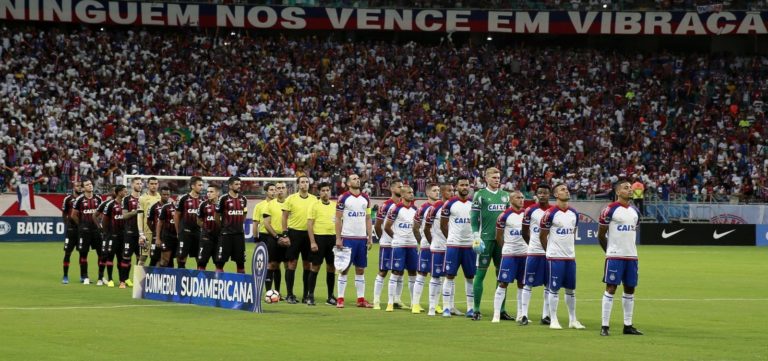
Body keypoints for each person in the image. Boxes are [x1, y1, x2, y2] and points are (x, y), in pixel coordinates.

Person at [598, 179, 643, 336]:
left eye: (630, 187)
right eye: (626, 188)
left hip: (631, 256)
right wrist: (609, 251)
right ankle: (605, 326)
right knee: (611, 288)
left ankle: (628, 325)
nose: (630, 190)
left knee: (630, 289)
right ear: (618, 192)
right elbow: (601, 234)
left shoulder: (635, 211)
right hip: (615, 256)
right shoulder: (609, 209)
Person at [539, 183, 585, 330]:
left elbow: (573, 233)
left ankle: (573, 320)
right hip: (555, 258)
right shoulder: (550, 213)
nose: (566, 191)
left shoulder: (574, 213)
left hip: (570, 257)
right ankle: (553, 319)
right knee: (554, 289)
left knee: (571, 289)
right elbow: (542, 236)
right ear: (556, 194)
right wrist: (549, 252)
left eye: (567, 189)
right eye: (562, 190)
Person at [470, 167, 511, 321]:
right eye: (494, 177)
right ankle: (476, 309)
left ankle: (501, 309)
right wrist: (476, 235)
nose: (497, 179)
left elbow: (509, 218)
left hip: (502, 241)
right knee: (480, 274)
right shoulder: (480, 195)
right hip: (485, 239)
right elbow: (474, 217)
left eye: (498, 177)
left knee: (502, 276)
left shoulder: (505, 196)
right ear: (486, 178)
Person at [335, 173, 374, 309]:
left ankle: (361, 299)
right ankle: (340, 299)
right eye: (354, 179)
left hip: (361, 239)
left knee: (360, 269)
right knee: (344, 269)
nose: (357, 180)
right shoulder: (343, 198)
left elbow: (368, 218)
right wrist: (338, 238)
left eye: (358, 178)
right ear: (348, 183)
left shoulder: (366, 198)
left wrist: (370, 237)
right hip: (348, 238)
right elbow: (338, 219)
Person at [440, 176, 475, 318]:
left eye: (467, 185)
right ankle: (446, 307)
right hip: (454, 245)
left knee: (470, 276)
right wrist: (451, 238)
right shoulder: (449, 204)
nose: (465, 187)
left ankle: (470, 308)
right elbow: (443, 224)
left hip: (470, 246)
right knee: (449, 275)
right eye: (462, 185)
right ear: (457, 187)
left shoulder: (474, 203)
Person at [280, 176, 318, 304]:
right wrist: (285, 233)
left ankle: (306, 295)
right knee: (292, 264)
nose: (305, 184)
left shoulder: (314, 199)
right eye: (302, 182)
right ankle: (290, 294)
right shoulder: (291, 198)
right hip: (294, 233)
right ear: (298, 185)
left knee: (307, 265)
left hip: (308, 234)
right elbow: (284, 217)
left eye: (307, 182)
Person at [519, 184, 552, 325]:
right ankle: (524, 315)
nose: (543, 195)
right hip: (534, 252)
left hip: (550, 253)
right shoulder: (530, 210)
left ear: (549, 194)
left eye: (545, 193)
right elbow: (524, 231)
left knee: (549, 285)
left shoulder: (553, 211)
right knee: (528, 283)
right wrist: (532, 244)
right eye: (540, 193)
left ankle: (546, 316)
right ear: (536, 194)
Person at [491, 191, 526, 323]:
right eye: (518, 197)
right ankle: (496, 314)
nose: (521, 200)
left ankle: (521, 314)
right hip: (509, 254)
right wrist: (506, 248)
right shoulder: (504, 215)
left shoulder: (526, 214)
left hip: (524, 254)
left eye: (522, 197)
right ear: (511, 200)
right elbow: (498, 236)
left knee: (522, 284)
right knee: (503, 283)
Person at [384, 185, 419, 312]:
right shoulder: (396, 208)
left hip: (412, 245)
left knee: (413, 273)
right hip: (399, 245)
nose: (412, 194)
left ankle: (414, 303)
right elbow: (387, 226)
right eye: (409, 192)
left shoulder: (415, 209)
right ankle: (390, 302)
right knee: (396, 272)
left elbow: (417, 228)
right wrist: (396, 237)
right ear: (403, 195)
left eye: (412, 192)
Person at [423, 183, 453, 316]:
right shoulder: (435, 207)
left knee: (450, 277)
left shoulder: (455, 205)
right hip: (439, 247)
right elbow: (426, 228)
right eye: (449, 190)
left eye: (453, 190)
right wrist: (432, 242)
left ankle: (450, 307)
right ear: (442, 192)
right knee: (435, 277)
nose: (452, 193)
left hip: (452, 247)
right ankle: (432, 307)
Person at [372, 179, 402, 309]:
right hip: (387, 244)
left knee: (399, 271)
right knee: (383, 271)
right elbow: (378, 225)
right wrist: (382, 238)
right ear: (392, 189)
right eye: (399, 187)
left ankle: (397, 300)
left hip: (400, 244)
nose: (402, 189)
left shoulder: (404, 205)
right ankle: (376, 300)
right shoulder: (385, 205)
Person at [306, 182, 337, 306]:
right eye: (323, 190)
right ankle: (310, 295)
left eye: (327, 190)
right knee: (315, 267)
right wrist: (312, 242)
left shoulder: (335, 205)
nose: (325, 192)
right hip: (319, 239)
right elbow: (309, 225)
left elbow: (339, 223)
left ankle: (330, 296)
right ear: (319, 192)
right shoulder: (314, 205)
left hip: (332, 238)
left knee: (331, 267)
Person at [411, 183, 439, 314]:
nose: (437, 192)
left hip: (439, 246)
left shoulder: (442, 207)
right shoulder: (422, 208)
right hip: (426, 246)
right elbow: (415, 227)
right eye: (434, 190)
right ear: (428, 193)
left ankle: (436, 304)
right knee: (422, 273)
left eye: (438, 190)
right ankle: (415, 304)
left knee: (437, 275)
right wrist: (421, 240)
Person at [72, 179, 103, 285]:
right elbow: (73, 215)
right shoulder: (79, 200)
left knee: (101, 253)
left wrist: (100, 224)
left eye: (90, 184)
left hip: (96, 231)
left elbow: (102, 213)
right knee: (83, 254)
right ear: (83, 188)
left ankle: (101, 277)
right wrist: (81, 225)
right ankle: (84, 276)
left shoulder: (98, 198)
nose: (90, 186)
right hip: (84, 231)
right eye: (87, 185)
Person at [95, 185, 127, 287]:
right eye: (124, 191)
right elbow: (103, 220)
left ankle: (122, 280)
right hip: (111, 235)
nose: (126, 193)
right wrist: (105, 232)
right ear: (118, 192)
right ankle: (108, 279)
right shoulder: (108, 204)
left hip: (123, 236)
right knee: (108, 256)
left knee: (121, 258)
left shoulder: (126, 204)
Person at [215, 176, 248, 273]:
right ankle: (218, 284)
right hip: (226, 235)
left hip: (239, 235)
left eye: (239, 184)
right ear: (230, 186)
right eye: (236, 184)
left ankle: (241, 285)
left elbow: (244, 213)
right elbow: (216, 215)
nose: (239, 186)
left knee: (241, 263)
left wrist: (240, 223)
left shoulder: (243, 199)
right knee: (220, 263)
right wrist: (222, 226)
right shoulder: (223, 199)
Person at [263, 182, 288, 296]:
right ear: (275, 190)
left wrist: (286, 236)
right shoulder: (270, 204)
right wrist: (277, 237)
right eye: (278, 188)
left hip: (288, 238)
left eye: (283, 188)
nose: (280, 190)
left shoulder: (290, 203)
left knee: (288, 265)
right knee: (272, 264)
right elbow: (266, 224)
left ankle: (281, 293)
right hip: (274, 238)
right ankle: (269, 292)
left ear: (286, 190)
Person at [174, 176, 203, 269]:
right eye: (199, 185)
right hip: (185, 232)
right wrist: (178, 231)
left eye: (202, 185)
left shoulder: (203, 200)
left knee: (199, 258)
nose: (201, 187)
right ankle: (181, 278)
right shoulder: (183, 199)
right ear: (192, 186)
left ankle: (198, 279)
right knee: (181, 257)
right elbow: (177, 215)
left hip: (198, 233)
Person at [120, 178, 143, 287]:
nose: (140, 185)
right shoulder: (126, 199)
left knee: (140, 258)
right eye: (137, 183)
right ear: (132, 185)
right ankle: (123, 281)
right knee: (126, 257)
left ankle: (138, 282)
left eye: (140, 183)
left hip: (141, 233)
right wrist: (136, 212)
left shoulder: (144, 198)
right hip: (129, 232)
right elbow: (124, 216)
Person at [61, 181, 82, 284]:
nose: (79, 188)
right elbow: (64, 213)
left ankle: (83, 276)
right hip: (71, 230)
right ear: (74, 187)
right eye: (77, 186)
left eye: (81, 186)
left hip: (81, 230)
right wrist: (67, 224)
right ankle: (65, 276)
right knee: (68, 253)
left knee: (83, 253)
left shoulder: (83, 199)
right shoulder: (68, 199)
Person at [196, 185, 220, 270]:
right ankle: (200, 282)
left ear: (217, 193)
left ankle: (218, 282)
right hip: (206, 238)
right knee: (201, 263)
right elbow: (198, 221)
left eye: (211, 192)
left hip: (219, 238)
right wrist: (207, 228)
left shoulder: (223, 204)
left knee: (219, 264)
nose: (208, 194)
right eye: (208, 192)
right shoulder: (203, 204)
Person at [138, 177, 160, 266]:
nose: (154, 186)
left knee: (157, 257)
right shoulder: (143, 198)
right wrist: (141, 233)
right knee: (143, 256)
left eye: (155, 184)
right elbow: (140, 216)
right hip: (147, 232)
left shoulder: (160, 197)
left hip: (158, 232)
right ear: (147, 185)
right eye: (151, 184)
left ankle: (153, 278)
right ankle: (138, 279)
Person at [155, 187, 177, 267]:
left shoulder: (181, 208)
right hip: (167, 237)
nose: (166, 196)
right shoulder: (166, 207)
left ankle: (173, 278)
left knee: (177, 260)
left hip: (178, 237)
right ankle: (157, 276)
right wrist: (157, 238)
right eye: (164, 194)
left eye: (168, 194)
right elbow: (159, 223)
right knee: (164, 260)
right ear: (160, 195)